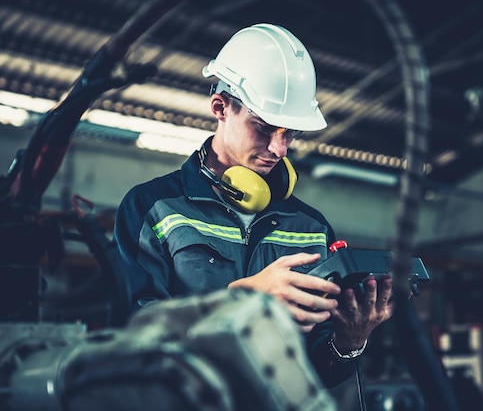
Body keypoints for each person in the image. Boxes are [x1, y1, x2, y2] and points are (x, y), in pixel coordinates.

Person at [112, 23, 393, 388]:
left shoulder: (311, 227)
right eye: (264, 127)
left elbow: (316, 372)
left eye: (290, 133)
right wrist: (240, 299)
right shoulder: (152, 208)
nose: (280, 149)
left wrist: (349, 342)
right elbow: (129, 337)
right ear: (220, 107)